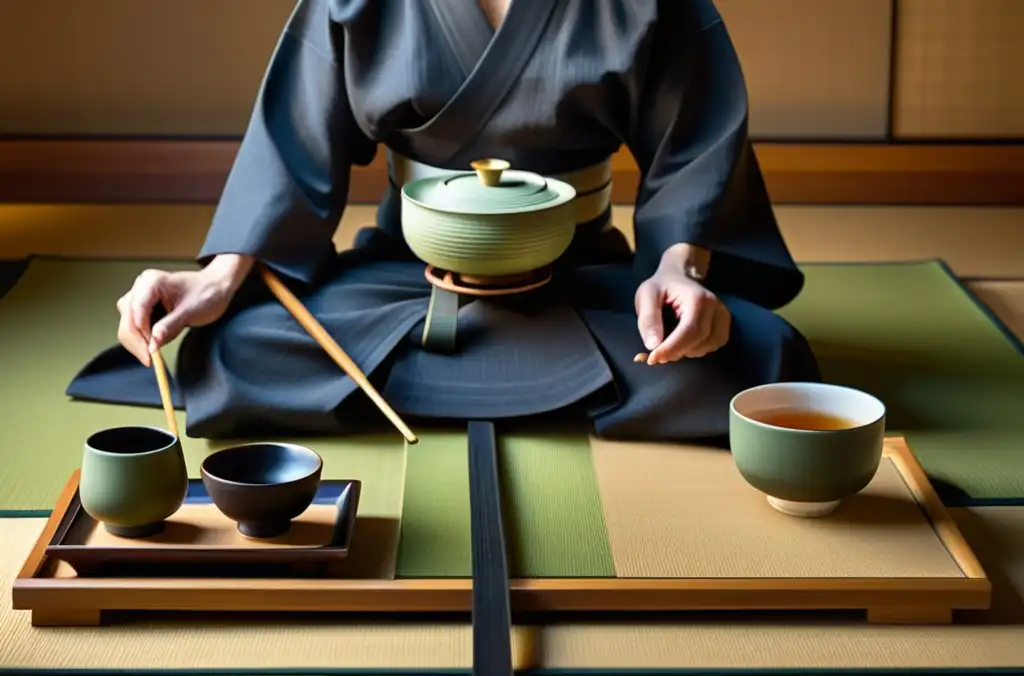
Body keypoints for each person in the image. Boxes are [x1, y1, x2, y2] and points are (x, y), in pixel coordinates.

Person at [70, 0, 820, 440]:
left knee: (752, 355)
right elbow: (295, 147)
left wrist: (675, 272)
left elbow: (695, 148)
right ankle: (558, 387)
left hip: (579, 279)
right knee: (235, 339)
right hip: (405, 277)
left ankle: (421, 385)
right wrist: (221, 275)